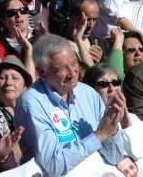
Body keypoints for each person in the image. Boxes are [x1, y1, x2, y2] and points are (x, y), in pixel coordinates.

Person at [14, 34, 124, 176]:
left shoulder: (88, 94)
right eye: (62, 68)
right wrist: (99, 135)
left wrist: (112, 129)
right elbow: (54, 166)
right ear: (42, 72)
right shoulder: (31, 103)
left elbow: (114, 157)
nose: (72, 73)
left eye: (74, 63)